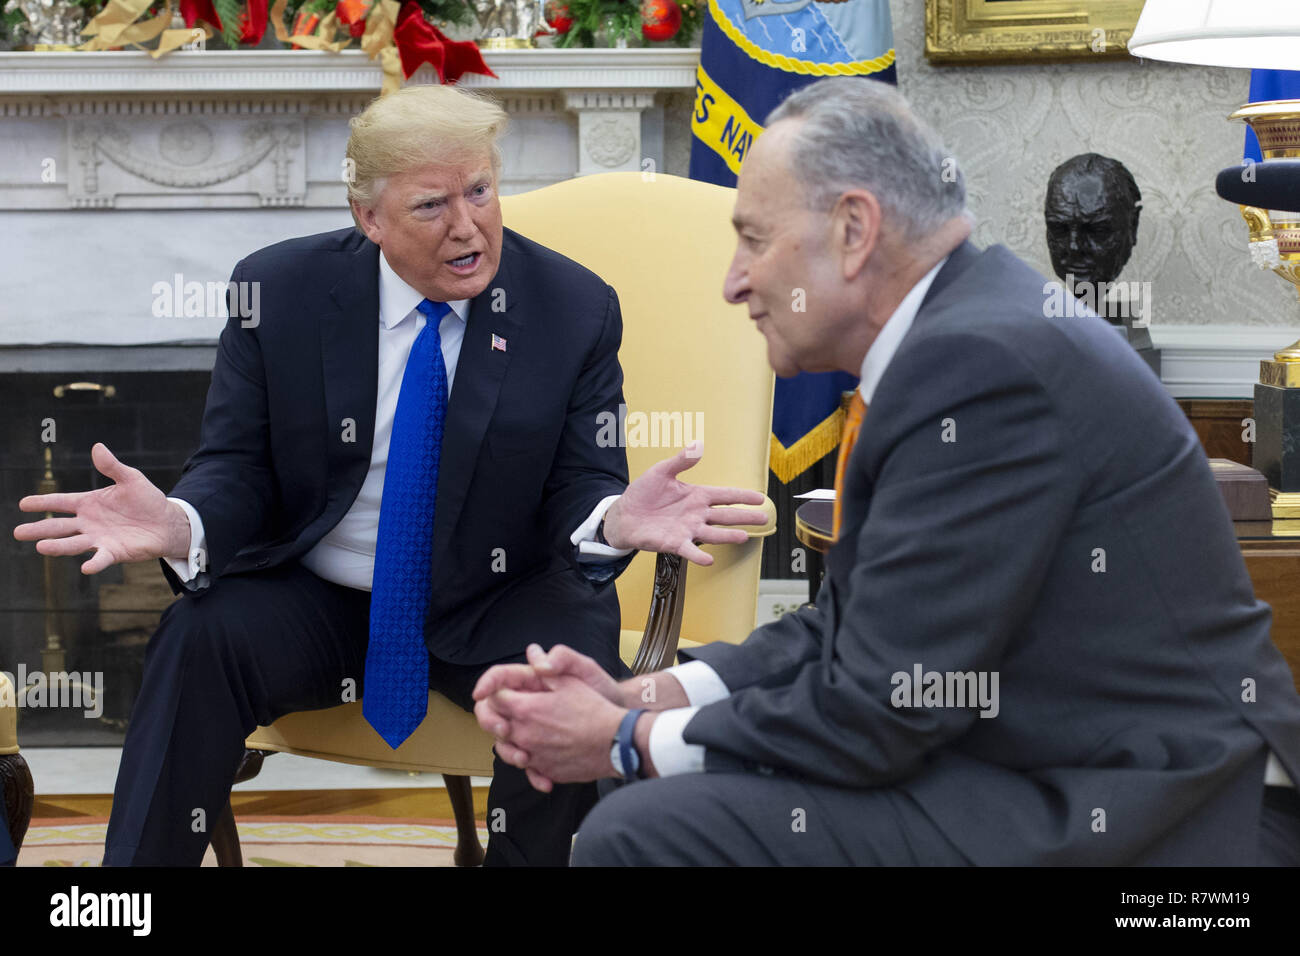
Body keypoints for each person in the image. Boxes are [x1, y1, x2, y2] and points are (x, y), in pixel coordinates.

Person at [472, 76, 1300, 866]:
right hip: (1047, 768)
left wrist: (621, 742)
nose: (733, 283)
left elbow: (881, 708)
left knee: (647, 832)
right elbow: (847, 629)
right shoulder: (956, 339)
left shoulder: (983, 367)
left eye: (754, 240)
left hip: (1163, 818)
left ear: (854, 230)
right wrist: (643, 697)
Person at [12, 85, 766, 867]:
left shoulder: (571, 308)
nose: (468, 225)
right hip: (322, 595)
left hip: (498, 594)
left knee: (566, 656)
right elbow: (237, 465)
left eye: (481, 191)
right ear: (368, 218)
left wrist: (611, 519)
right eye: (432, 205)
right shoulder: (278, 294)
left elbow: (581, 482)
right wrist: (182, 523)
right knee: (198, 636)